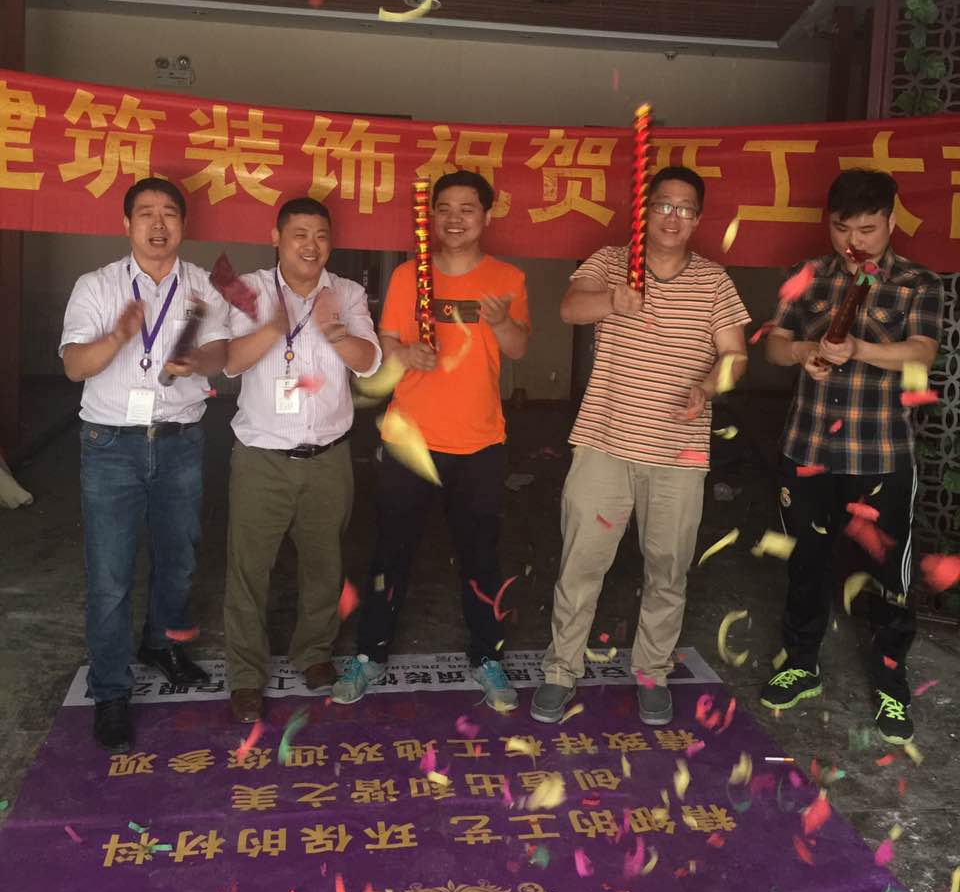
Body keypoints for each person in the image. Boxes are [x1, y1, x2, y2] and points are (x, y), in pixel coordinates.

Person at [532, 165, 750, 726]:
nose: (673, 217)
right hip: (604, 442)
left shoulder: (714, 281)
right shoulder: (611, 262)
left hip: (679, 453)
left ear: (697, 219)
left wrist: (708, 387)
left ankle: (652, 672)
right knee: (581, 564)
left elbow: (735, 354)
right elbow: (569, 307)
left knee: (668, 570)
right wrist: (614, 300)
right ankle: (560, 670)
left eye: (685, 209)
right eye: (663, 205)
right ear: (644, 211)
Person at [332, 170, 530, 711]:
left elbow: (517, 348)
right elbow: (387, 344)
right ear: (431, 217)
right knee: (389, 553)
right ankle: (370, 653)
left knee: (480, 556)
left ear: (486, 215)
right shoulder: (407, 276)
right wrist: (407, 354)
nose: (455, 219)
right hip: (410, 440)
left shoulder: (507, 277)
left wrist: (502, 321)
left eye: (467, 208)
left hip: (480, 442)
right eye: (444, 208)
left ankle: (487, 656)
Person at [760, 169, 943, 744]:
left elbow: (921, 354)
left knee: (887, 575)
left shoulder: (918, 283)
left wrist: (859, 348)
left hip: (880, 454)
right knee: (805, 562)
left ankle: (891, 685)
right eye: (843, 229)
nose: (854, 242)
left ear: (892, 220)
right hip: (808, 447)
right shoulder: (807, 275)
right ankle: (801, 663)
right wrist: (804, 351)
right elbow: (773, 345)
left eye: (867, 229)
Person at [60, 177, 230, 751]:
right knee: (110, 576)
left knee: (179, 561)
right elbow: (75, 366)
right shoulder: (96, 286)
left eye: (169, 214)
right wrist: (119, 335)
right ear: (126, 224)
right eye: (146, 214)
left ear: (184, 224)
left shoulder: (203, 286)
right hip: (111, 445)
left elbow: (223, 353)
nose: (158, 225)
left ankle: (161, 645)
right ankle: (111, 691)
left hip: (180, 441)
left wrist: (196, 360)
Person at [223, 196, 380, 723]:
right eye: (299, 234)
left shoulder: (347, 293)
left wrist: (335, 331)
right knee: (249, 570)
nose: (311, 246)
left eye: (321, 235)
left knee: (324, 564)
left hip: (329, 457)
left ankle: (314, 652)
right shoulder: (248, 290)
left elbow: (369, 362)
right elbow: (228, 361)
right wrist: (274, 326)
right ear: (276, 238)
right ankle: (246, 675)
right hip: (261, 459)